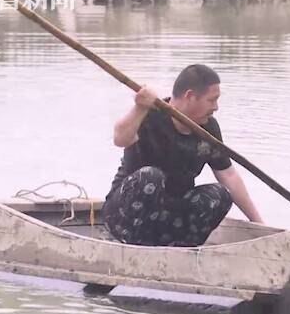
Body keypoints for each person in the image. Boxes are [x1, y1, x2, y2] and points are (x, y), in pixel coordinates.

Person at [103, 64, 263, 247]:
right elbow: (120, 138)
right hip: (124, 218)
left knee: (220, 195)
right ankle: (136, 249)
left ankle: (182, 250)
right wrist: (139, 108)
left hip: (169, 218)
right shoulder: (148, 115)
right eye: (212, 100)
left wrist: (258, 224)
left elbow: (229, 176)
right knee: (150, 177)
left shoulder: (208, 128)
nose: (216, 107)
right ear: (190, 96)